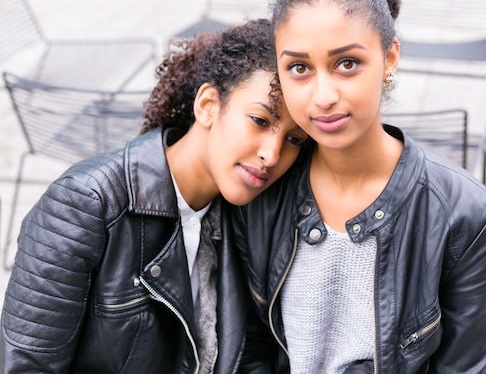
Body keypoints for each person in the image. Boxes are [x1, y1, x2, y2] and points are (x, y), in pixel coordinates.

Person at [231, 0, 486, 373]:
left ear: (389, 58)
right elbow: (250, 351)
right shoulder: (262, 190)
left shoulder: (463, 215)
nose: (323, 96)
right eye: (299, 68)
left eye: (347, 63)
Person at [1, 18, 307, 373]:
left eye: (294, 139)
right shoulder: (85, 204)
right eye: (259, 120)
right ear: (208, 105)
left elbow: (250, 352)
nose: (272, 154)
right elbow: (28, 365)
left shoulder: (246, 214)